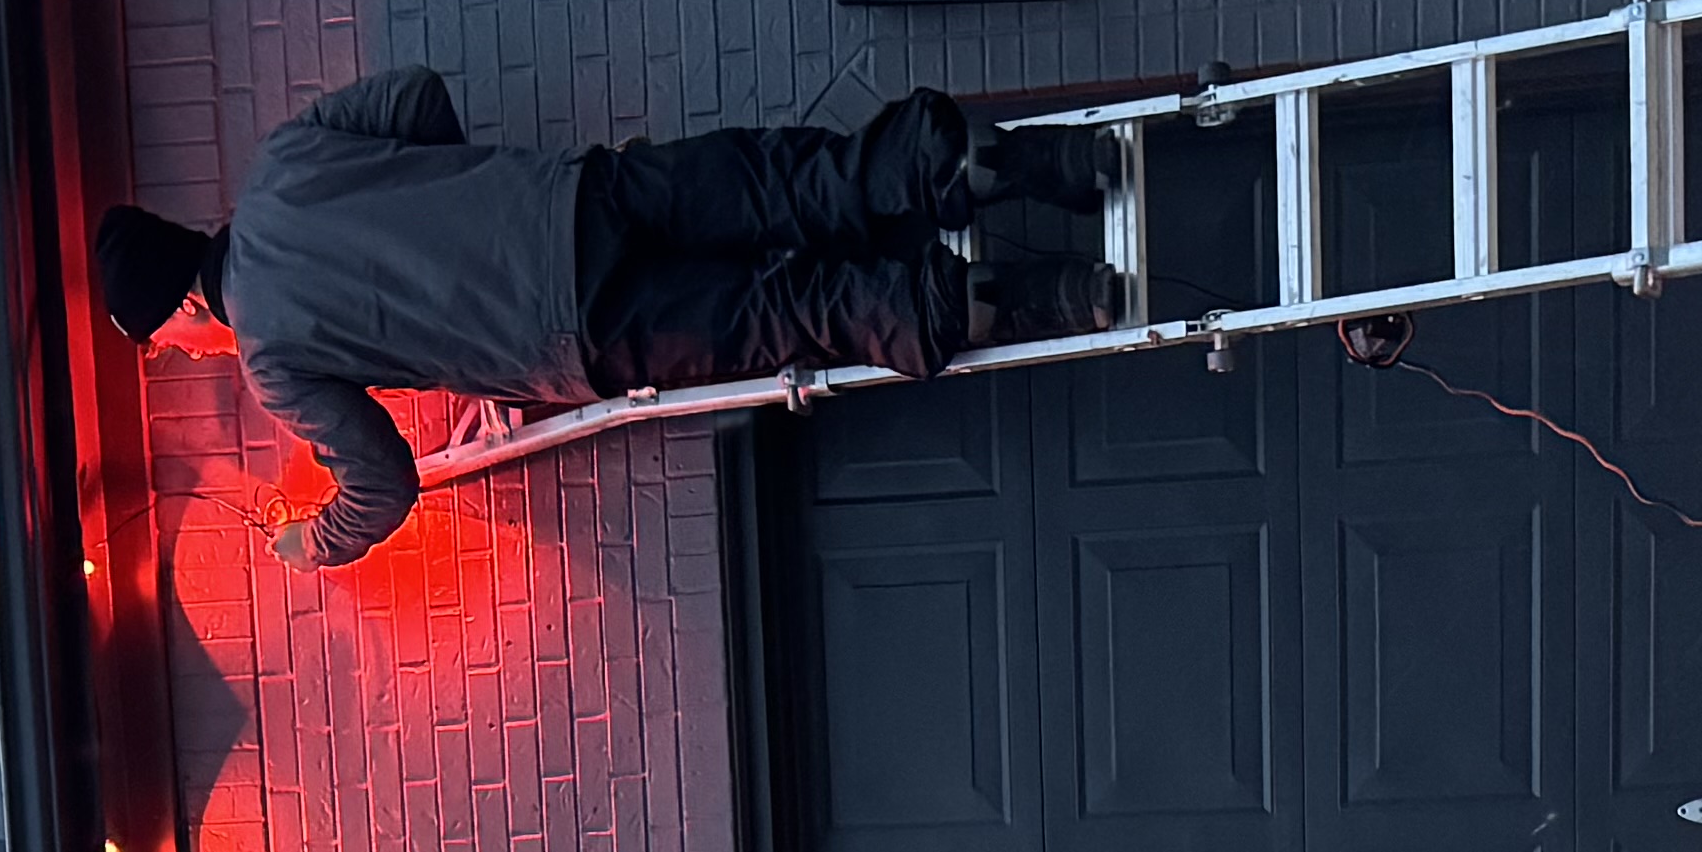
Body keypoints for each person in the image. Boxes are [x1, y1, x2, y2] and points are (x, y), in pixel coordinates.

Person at [91, 71, 1115, 568]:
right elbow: (416, 98)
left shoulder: (269, 355)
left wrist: (309, 542)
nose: (187, 352)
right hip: (574, 198)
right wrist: (456, 198)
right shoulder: (284, 160)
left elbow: (383, 481)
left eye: (170, 345)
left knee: (785, 310)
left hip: (572, 330)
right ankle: (998, 164)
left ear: (181, 305)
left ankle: (1030, 299)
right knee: (788, 184)